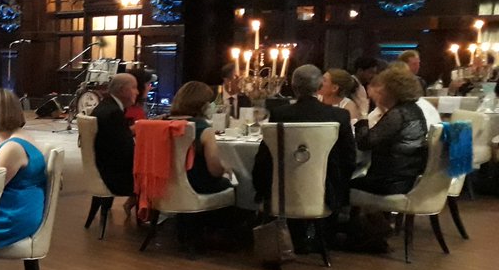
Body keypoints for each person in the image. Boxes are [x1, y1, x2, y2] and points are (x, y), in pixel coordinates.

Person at [252, 64, 356, 212]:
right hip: (327, 193)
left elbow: (265, 156)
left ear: (293, 86)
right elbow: (349, 158)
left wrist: (262, 189)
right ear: (319, 86)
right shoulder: (339, 115)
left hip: (284, 190)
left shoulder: (280, 114)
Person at [0, 88, 47, 249]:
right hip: (5, 208)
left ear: (4, 113)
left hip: (10, 217)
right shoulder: (1, 140)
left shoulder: (12, 148)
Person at [351, 67, 428, 195]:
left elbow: (364, 143)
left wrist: (363, 113)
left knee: (339, 183)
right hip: (407, 178)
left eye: (381, 89)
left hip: (390, 182)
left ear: (390, 91)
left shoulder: (398, 113)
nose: (378, 93)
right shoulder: (414, 110)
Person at [168, 81, 231, 194]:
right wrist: (225, 168)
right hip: (197, 187)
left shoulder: (162, 123)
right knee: (231, 181)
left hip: (165, 186)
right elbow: (214, 170)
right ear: (203, 106)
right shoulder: (203, 128)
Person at [90, 73, 137, 197]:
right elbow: (126, 151)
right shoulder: (114, 113)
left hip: (105, 168)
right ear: (122, 90)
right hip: (117, 177)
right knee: (157, 175)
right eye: (134, 87)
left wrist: (132, 130)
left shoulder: (105, 106)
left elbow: (114, 138)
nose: (137, 92)